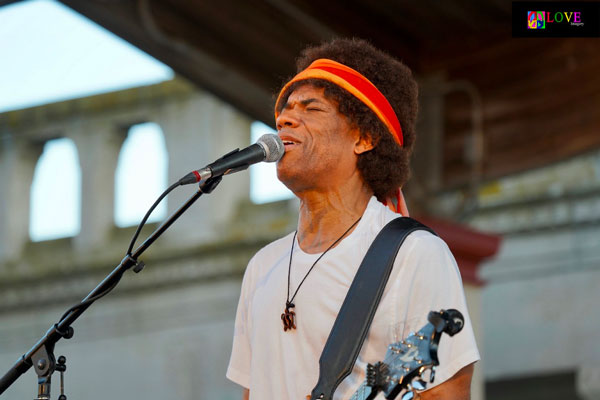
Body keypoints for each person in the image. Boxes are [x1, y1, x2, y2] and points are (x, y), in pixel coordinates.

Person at [226, 38, 479, 399]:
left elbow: (445, 393)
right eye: (285, 109)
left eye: (310, 109)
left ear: (364, 137)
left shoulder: (412, 254)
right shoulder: (263, 266)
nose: (284, 118)